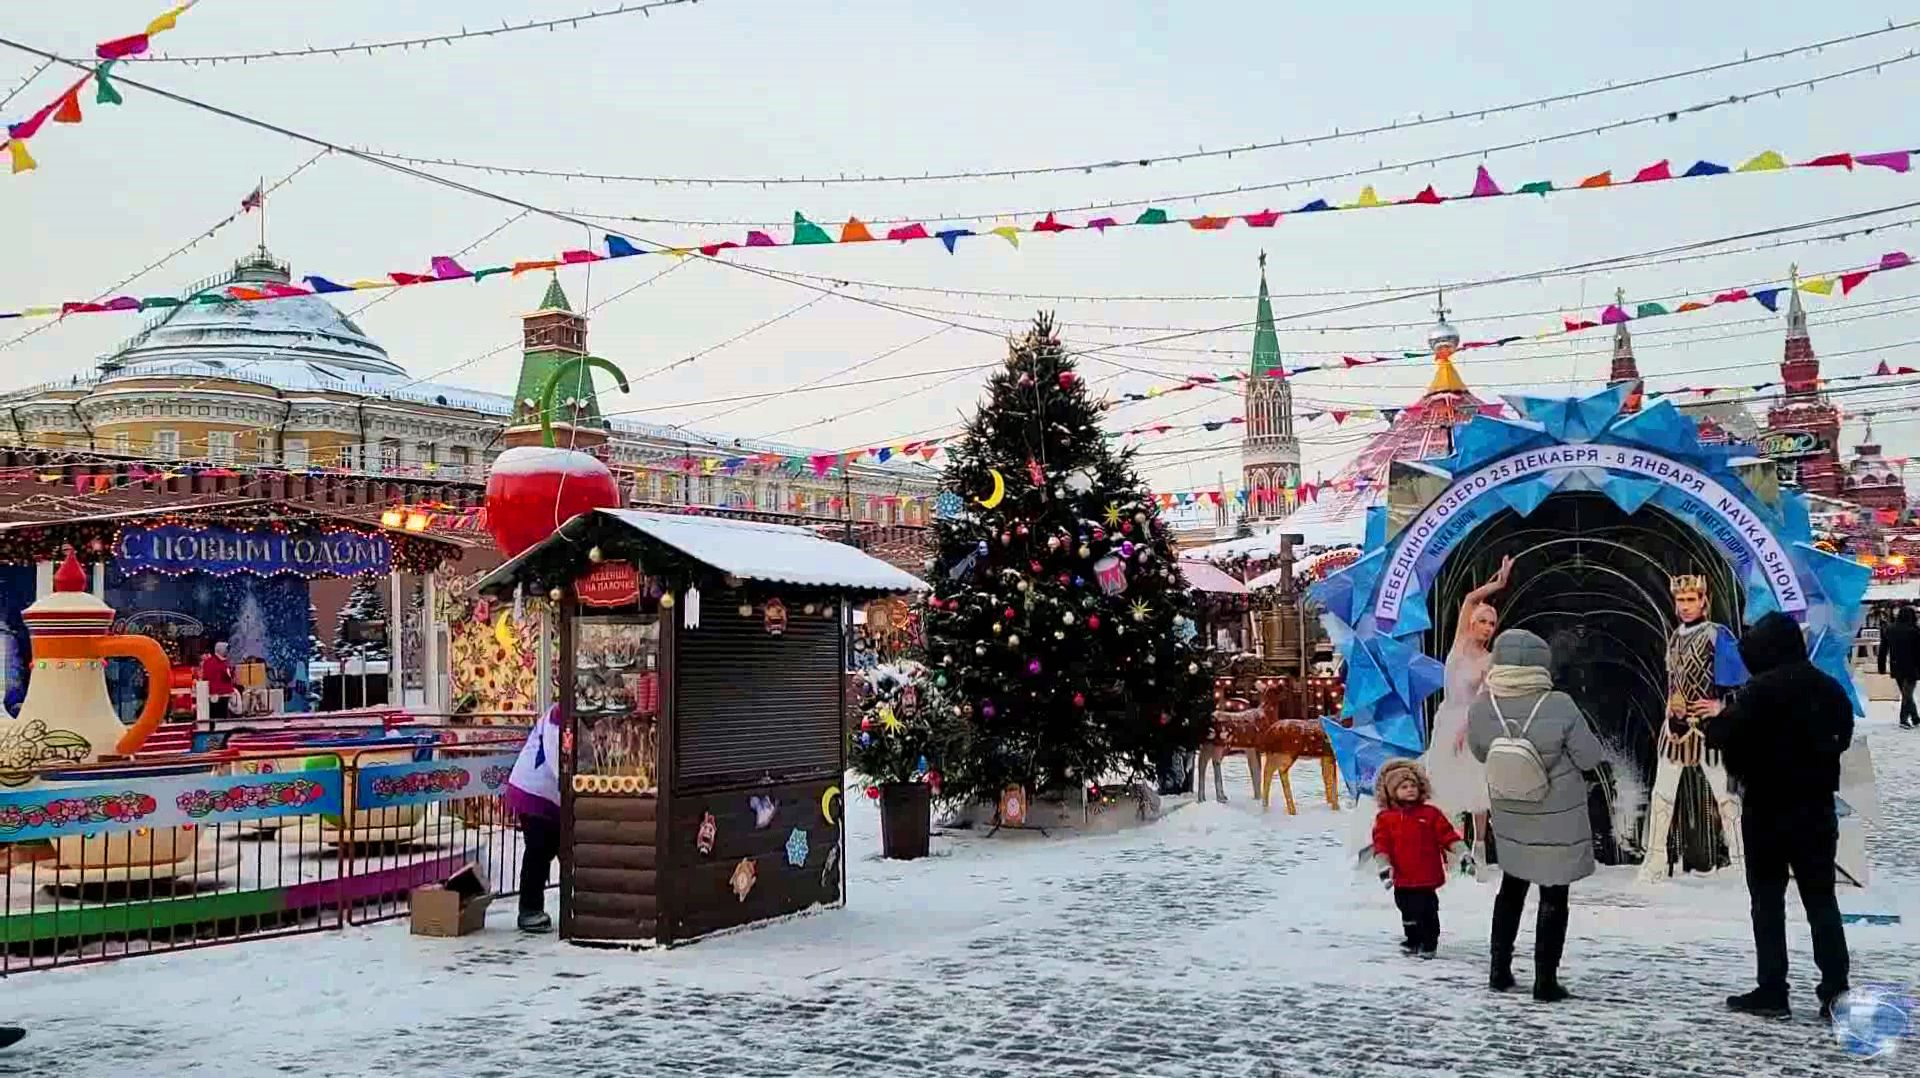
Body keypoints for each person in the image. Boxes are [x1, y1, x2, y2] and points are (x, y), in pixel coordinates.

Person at [1696, 611, 1853, 1021]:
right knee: (1822, 902)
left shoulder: (1758, 693)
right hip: (1816, 809)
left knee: (1767, 902)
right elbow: (1842, 737)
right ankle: (1835, 990)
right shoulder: (1828, 688)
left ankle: (1772, 989)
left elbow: (1727, 738)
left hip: (1766, 809)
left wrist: (1716, 725)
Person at [1468, 629, 1605, 1003]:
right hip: (1557, 814)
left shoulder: (1484, 705)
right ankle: (1545, 981)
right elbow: (1589, 756)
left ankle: (1499, 971)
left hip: (1511, 809)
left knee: (1511, 890)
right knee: (1554, 894)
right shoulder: (1558, 704)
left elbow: (1482, 753)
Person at [1425, 555, 1512, 858]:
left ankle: (1480, 848)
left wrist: (1466, 729)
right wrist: (1498, 584)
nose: (1488, 628)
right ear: (1473, 623)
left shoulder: (1490, 659)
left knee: (1477, 783)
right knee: (1445, 783)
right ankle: (1450, 847)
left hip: (1470, 721)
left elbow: (1483, 697)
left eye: (1492, 624)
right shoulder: (1460, 642)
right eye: (1484, 621)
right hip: (1447, 718)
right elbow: (1469, 599)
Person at [1371, 758, 1473, 958]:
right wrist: (1384, 865)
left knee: (1427, 911)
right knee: (1407, 910)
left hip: (1427, 875)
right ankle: (1413, 939)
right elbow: (1381, 844)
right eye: (1403, 787)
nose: (1410, 790)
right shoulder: (1385, 819)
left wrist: (1462, 852)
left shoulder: (1430, 814)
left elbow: (1448, 835)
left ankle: (1429, 942)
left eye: (1413, 786)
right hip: (1401, 876)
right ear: (1392, 792)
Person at [505, 704, 562, 932]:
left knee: (556, 847)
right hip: (533, 790)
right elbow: (557, 757)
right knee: (539, 849)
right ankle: (529, 910)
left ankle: (578, 903)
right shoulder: (557, 718)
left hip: (551, 796)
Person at [1878, 606, 1920, 729]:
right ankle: (1903, 719)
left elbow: (1883, 649)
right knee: (1907, 693)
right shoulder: (1915, 631)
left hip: (1896, 666)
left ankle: (1915, 718)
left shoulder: (1890, 630)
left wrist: (1881, 666)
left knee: (1906, 693)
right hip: (1912, 667)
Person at [200, 641, 237, 720]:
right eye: (226, 650)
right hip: (218, 694)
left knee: (219, 716)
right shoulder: (214, 662)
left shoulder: (222, 662)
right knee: (218, 716)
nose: (227, 652)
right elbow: (223, 676)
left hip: (221, 693)